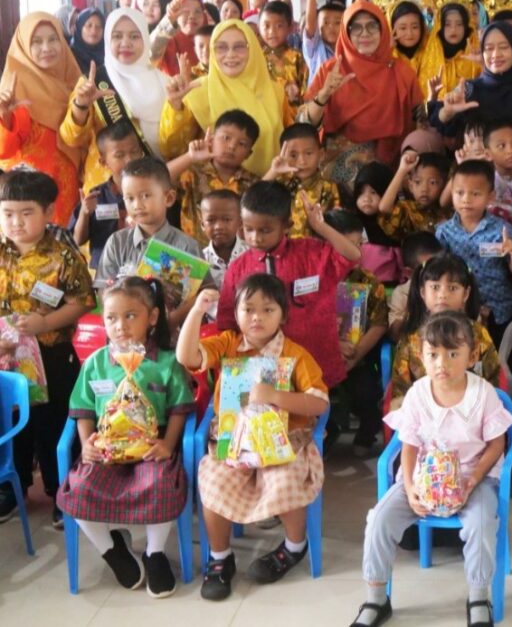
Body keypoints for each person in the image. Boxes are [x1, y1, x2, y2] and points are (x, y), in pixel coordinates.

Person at [350, 310, 512, 627]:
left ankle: (479, 596)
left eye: (453, 354)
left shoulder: (483, 393)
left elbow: (497, 444)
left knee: (481, 523)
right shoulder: (417, 394)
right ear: (422, 355)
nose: (442, 363)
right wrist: (411, 487)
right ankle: (376, 598)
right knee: (379, 520)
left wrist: (473, 479)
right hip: (422, 478)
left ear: (471, 356)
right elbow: (409, 445)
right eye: (433, 354)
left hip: (473, 478)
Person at [178, 278, 329, 601]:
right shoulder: (227, 344)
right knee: (214, 482)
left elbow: (319, 404)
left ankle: (294, 546)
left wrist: (276, 396)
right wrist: (197, 311)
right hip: (234, 444)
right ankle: (220, 557)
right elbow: (186, 357)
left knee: (285, 482)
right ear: (235, 312)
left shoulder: (295, 355)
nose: (257, 317)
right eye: (248, 309)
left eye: (268, 310)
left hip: (284, 444)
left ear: (283, 315)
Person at [57, 277, 193, 597]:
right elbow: (83, 410)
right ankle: (112, 550)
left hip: (150, 446)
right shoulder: (95, 364)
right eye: (111, 318)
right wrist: (87, 444)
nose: (120, 326)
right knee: (78, 490)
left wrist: (168, 444)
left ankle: (155, 554)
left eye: (131, 315)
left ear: (152, 317)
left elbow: (179, 409)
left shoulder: (167, 363)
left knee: (159, 484)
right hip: (106, 446)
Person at [0, 171, 94, 527]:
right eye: (8, 213)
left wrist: (45, 324)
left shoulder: (62, 255)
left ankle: (61, 490)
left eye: (26, 213)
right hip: (6, 358)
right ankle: (13, 487)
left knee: (53, 424)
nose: (16, 222)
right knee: (11, 423)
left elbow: (82, 301)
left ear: (49, 212)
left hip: (52, 355)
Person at [217, 181, 360, 393]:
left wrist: (320, 227)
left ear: (287, 226)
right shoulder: (238, 268)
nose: (255, 237)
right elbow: (227, 321)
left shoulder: (312, 253)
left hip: (316, 364)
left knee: (320, 411)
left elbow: (353, 256)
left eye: (265, 230)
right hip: (260, 374)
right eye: (249, 229)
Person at [160, 18, 294, 176]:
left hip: (269, 185)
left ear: (253, 49)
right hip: (213, 188)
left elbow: (290, 142)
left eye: (239, 47)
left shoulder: (275, 91)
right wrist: (175, 105)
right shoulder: (197, 92)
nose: (230, 54)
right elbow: (171, 150)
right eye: (221, 47)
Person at [60, 8, 171, 192]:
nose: (125, 43)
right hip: (107, 190)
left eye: (134, 36)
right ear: (107, 40)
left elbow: (176, 140)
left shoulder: (164, 82)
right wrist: (81, 106)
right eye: (117, 36)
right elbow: (71, 139)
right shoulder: (93, 82)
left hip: (154, 186)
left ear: (145, 38)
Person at [303, 0, 423, 168]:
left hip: (391, 170)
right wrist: (323, 95)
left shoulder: (402, 72)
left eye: (372, 26)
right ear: (346, 33)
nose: (364, 34)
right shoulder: (330, 71)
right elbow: (305, 124)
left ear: (383, 30)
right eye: (356, 28)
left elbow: (420, 122)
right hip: (336, 171)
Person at [95, 157, 209, 327]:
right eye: (130, 198)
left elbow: (204, 293)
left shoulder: (187, 246)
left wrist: (170, 322)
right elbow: (103, 288)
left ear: (168, 198)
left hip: (172, 335)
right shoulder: (117, 243)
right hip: (124, 332)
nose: (137, 205)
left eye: (145, 196)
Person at [388, 253, 502, 413]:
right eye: (435, 287)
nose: (442, 294)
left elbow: (493, 378)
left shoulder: (478, 333)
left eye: (452, 288)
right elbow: (400, 386)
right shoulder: (412, 335)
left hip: (471, 411)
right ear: (423, 292)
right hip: (422, 414)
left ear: (466, 294)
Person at [0, 12, 84, 225]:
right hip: (27, 197)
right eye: (36, 42)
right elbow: (4, 151)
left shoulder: (73, 80)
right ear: (23, 46)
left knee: (64, 241)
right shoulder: (14, 88)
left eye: (53, 39)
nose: (46, 48)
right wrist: (4, 118)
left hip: (68, 189)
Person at [319, 209, 389, 457]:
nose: (356, 251)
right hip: (318, 355)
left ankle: (367, 431)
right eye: (348, 244)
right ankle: (328, 429)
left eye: (359, 244)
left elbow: (380, 323)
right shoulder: (313, 278)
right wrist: (333, 346)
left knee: (366, 390)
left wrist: (355, 355)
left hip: (355, 357)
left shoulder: (368, 280)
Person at [435, 159, 512, 344]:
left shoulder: (502, 230)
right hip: (459, 311)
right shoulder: (443, 232)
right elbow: (438, 272)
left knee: (499, 354)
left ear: (490, 197)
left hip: (498, 308)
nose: (466, 199)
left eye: (475, 193)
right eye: (460, 193)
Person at [430, 21, 512, 144]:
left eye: (503, 47)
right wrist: (447, 112)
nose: (496, 54)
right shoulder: (469, 89)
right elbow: (436, 124)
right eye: (489, 48)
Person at [165, 108, 260, 245]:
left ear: (248, 154)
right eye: (226, 138)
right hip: (192, 252)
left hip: (238, 254)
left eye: (242, 144)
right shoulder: (193, 172)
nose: (232, 146)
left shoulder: (253, 183)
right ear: (212, 140)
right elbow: (157, 178)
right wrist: (190, 157)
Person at [69, 119, 144, 269]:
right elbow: (78, 240)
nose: (129, 160)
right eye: (120, 155)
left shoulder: (150, 192)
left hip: (142, 269)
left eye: (134, 152)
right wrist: (84, 213)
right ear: (104, 162)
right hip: (105, 271)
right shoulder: (97, 196)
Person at [263, 123, 341, 239]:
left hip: (313, 247)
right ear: (283, 155)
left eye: (308, 153)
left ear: (321, 154)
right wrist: (273, 171)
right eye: (293, 155)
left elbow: (335, 223)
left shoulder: (328, 187)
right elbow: (253, 200)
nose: (302, 161)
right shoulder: (278, 182)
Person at [378, 150, 450, 242]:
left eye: (432, 182)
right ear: (411, 186)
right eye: (417, 182)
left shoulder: (451, 210)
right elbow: (384, 208)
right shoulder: (407, 209)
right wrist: (402, 170)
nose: (424, 189)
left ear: (444, 185)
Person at [352, 161, 403, 284]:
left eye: (373, 192)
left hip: (389, 287)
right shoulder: (351, 224)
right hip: (356, 288)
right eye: (361, 192)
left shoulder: (395, 224)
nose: (366, 198)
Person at [387, 232, 443, 342]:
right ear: (409, 273)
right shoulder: (402, 293)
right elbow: (394, 335)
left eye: (440, 266)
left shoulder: (449, 290)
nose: (436, 273)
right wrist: (415, 308)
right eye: (428, 269)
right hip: (413, 348)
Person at [260, 0, 309, 106]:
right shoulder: (257, 58)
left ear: (290, 27)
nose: (272, 32)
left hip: (292, 113)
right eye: (266, 26)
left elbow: (305, 90)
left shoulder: (297, 57)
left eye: (279, 26)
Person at [302, 0, 345, 81]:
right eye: (326, 23)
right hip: (318, 93)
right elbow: (310, 21)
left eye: (337, 23)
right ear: (318, 26)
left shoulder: (347, 48)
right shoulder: (315, 48)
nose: (331, 27)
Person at [199, 189, 246, 289]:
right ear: (202, 225)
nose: (218, 226)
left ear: (240, 222)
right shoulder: (200, 260)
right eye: (211, 220)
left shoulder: (252, 254)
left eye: (227, 219)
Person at [70, 8, 105, 74]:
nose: (94, 31)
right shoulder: (70, 56)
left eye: (98, 26)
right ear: (79, 27)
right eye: (89, 26)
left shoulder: (109, 54)